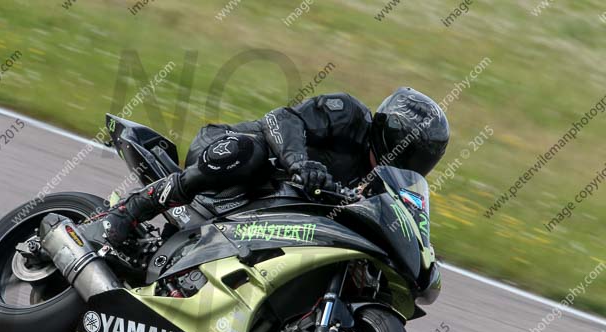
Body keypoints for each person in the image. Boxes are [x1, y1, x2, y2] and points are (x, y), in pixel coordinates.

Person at [101, 86, 450, 244]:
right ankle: (132, 209)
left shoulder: (377, 182)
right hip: (227, 151)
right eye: (415, 152)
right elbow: (280, 119)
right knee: (248, 152)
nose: (417, 163)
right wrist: (299, 163)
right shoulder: (349, 114)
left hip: (263, 209)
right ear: (394, 134)